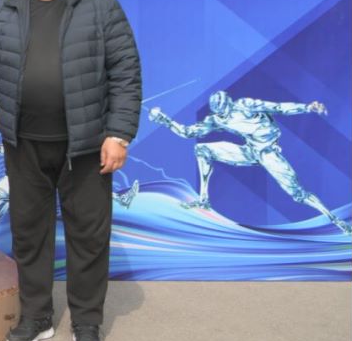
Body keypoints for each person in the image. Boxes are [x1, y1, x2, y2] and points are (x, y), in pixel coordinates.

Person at [0, 0, 141, 341]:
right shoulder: (7, 8)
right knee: (29, 233)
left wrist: (118, 134)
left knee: (88, 236)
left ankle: (87, 322)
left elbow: (125, 74)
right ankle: (36, 316)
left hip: (86, 145)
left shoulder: (101, 7)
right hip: (23, 142)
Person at [150, 92, 351, 235]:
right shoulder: (216, 120)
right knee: (202, 149)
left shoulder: (246, 105)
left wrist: (307, 107)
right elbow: (188, 132)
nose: (223, 116)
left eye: (224, 111)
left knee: (298, 194)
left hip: (268, 152)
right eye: (220, 113)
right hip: (249, 152)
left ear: (229, 103)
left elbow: (278, 107)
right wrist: (165, 120)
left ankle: (337, 221)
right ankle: (204, 199)